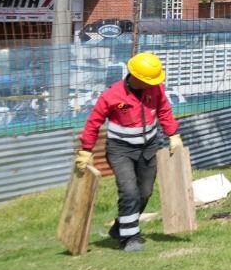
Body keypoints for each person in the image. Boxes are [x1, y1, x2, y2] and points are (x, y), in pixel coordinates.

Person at [74, 52, 183, 252]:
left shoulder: (156, 88)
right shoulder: (111, 95)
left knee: (145, 192)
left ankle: (120, 228)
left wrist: (173, 134)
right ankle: (130, 238)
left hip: (148, 148)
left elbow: (164, 111)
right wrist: (86, 150)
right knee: (129, 192)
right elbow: (93, 123)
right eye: (148, 80)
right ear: (137, 77)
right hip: (120, 151)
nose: (152, 84)